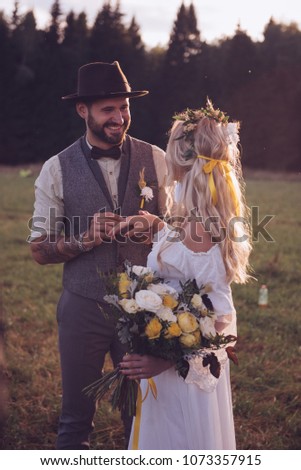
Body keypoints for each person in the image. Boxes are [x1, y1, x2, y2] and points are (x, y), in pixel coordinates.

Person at [29, 61, 167, 450]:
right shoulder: (55, 169)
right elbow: (39, 249)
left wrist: (157, 225)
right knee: (75, 417)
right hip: (83, 306)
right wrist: (83, 240)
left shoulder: (156, 158)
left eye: (124, 107)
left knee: (141, 415)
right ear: (82, 110)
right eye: (108, 109)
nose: (119, 117)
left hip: (146, 306)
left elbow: (181, 227)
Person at [115, 101, 252, 450]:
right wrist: (160, 227)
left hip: (179, 374)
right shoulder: (193, 219)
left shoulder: (198, 230)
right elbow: (188, 267)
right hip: (177, 363)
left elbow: (220, 319)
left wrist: (161, 361)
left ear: (181, 160)